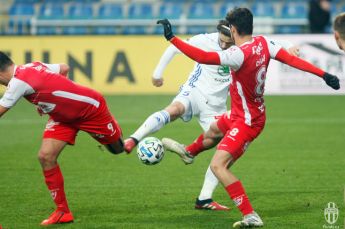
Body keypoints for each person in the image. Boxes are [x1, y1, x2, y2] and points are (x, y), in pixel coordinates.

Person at [157, 7, 340, 228]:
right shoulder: (263, 43)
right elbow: (292, 61)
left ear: (233, 29)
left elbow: (203, 56)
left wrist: (172, 38)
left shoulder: (238, 54)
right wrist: (324, 75)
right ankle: (189, 152)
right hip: (242, 113)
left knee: (218, 166)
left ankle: (250, 214)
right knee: (214, 130)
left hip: (247, 121)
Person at [0, 52, 124, 225]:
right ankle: (63, 212)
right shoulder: (30, 66)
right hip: (62, 118)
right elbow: (64, 68)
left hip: (91, 110)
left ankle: (114, 126)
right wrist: (51, 98)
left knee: (118, 149)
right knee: (46, 156)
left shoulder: (17, 83)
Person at [124, 20, 234, 210]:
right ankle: (132, 140)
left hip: (216, 107)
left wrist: (290, 48)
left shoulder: (243, 48)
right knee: (174, 109)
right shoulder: (204, 40)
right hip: (195, 91)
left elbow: (273, 46)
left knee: (226, 151)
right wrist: (157, 73)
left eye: (228, 43)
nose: (223, 45)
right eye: (221, 41)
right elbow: (175, 48)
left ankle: (204, 198)